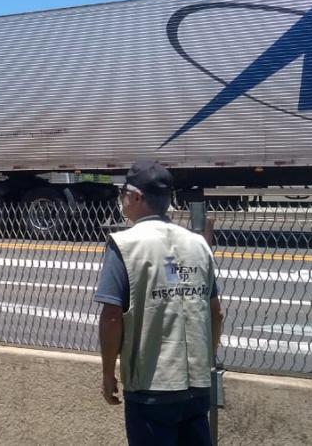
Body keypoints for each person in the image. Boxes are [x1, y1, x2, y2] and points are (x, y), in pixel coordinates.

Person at [94, 161, 225, 446]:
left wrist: (107, 373)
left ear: (137, 197)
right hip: (197, 385)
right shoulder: (198, 244)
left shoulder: (125, 244)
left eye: (122, 193)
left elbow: (112, 316)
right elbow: (216, 313)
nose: (120, 199)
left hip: (151, 387)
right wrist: (204, 360)